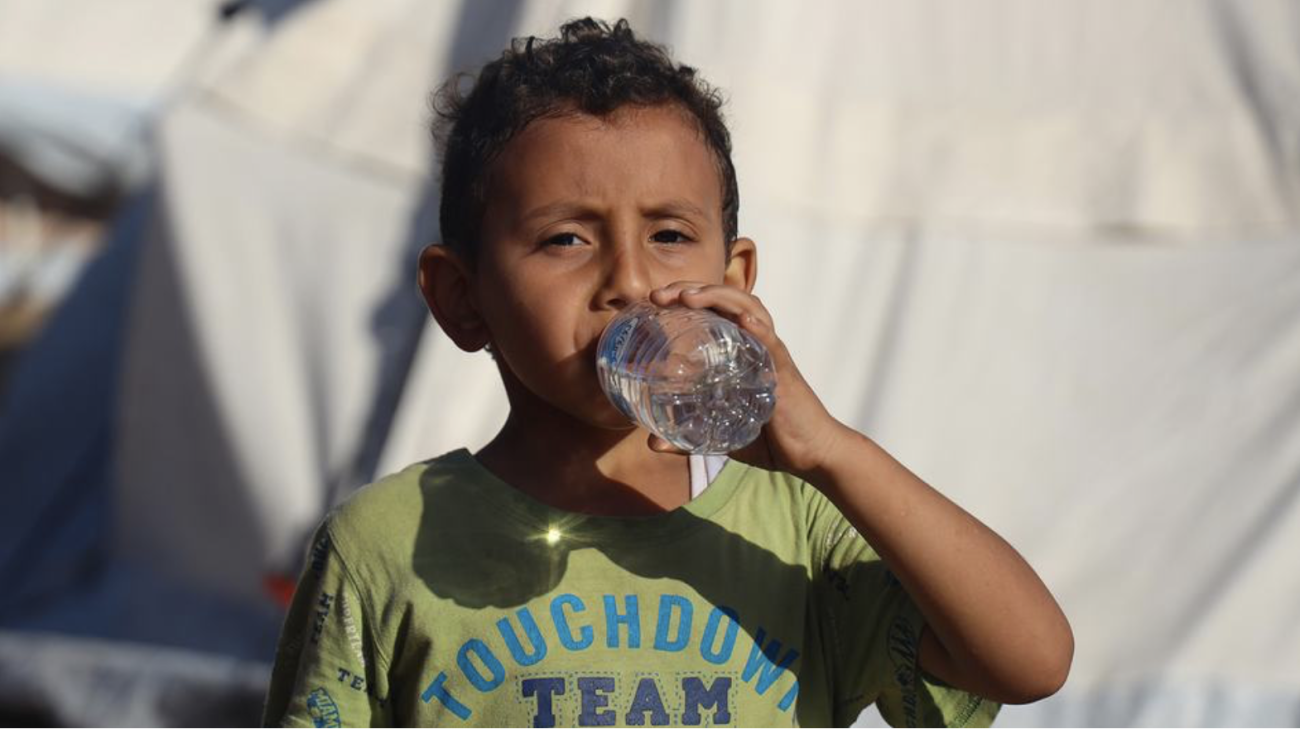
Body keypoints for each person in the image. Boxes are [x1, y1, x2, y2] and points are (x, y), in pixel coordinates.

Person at [263, 17, 1073, 727]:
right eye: (566, 240)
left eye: (671, 235)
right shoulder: (382, 545)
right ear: (461, 298)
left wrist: (831, 450)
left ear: (737, 277)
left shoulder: (794, 528)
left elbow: (1030, 662)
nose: (630, 281)